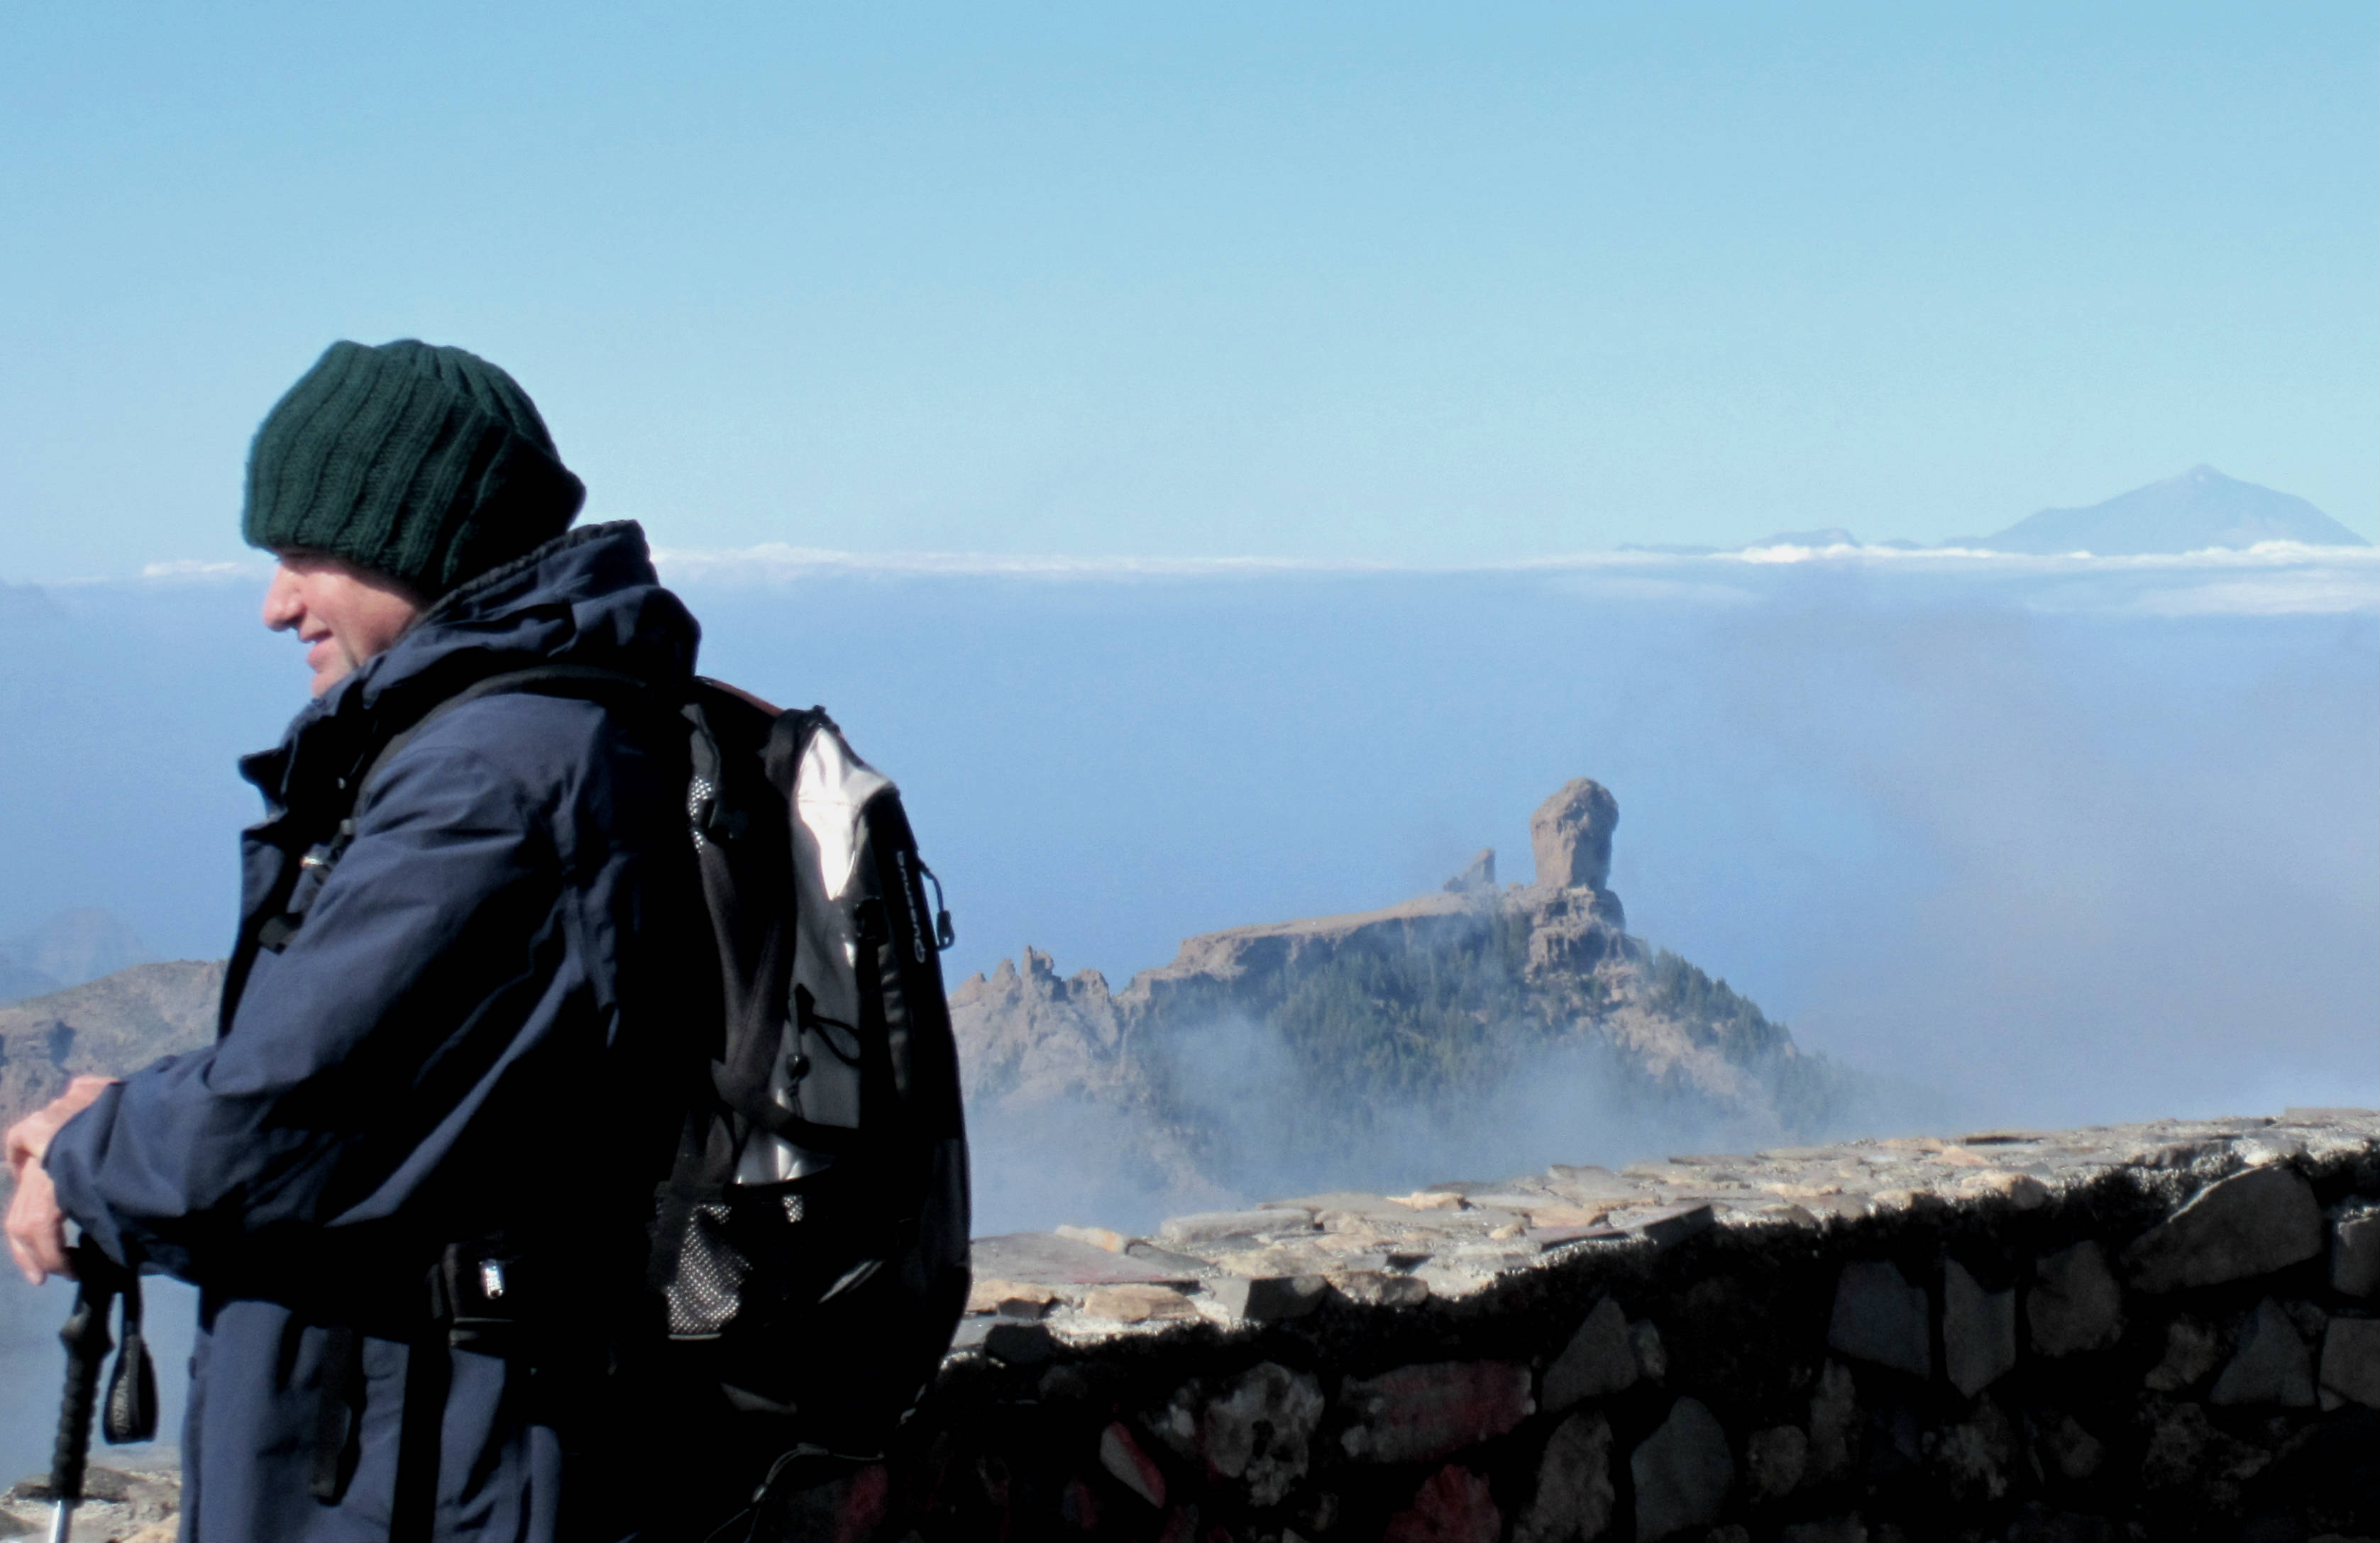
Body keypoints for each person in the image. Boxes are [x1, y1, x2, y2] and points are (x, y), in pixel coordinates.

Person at [4, 340, 713, 1541]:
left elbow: (272, 1130)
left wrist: (82, 1152)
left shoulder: (490, 782)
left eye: (302, 560)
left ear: (420, 545)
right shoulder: (541, 737)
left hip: (427, 1461)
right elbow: (370, 1085)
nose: (276, 605)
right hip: (430, 1437)